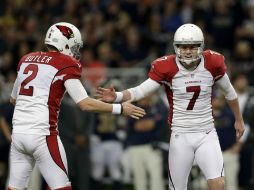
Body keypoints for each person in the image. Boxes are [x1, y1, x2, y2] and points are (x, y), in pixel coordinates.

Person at [96, 23, 245, 190]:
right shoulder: (166, 67)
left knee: (218, 184)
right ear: (176, 47)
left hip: (206, 133)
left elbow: (230, 93)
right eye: (183, 47)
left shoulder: (213, 62)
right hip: (180, 135)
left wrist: (239, 119)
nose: (188, 51)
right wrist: (117, 96)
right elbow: (140, 91)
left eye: (192, 46)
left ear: (201, 47)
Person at [7, 22, 145, 190]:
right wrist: (120, 108)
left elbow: (14, 99)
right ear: (64, 43)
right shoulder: (64, 63)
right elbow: (85, 104)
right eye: (73, 46)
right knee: (62, 187)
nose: (75, 51)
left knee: (15, 188)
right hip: (42, 135)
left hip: (19, 135)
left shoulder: (26, 59)